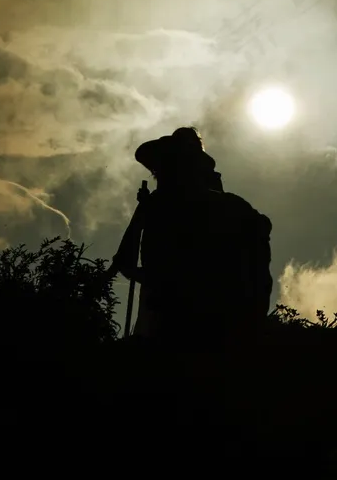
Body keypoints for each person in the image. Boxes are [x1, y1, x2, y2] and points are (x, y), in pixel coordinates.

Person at [111, 126, 273, 344]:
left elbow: (125, 262)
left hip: (184, 326)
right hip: (203, 328)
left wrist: (157, 279)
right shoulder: (230, 207)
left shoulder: (161, 207)